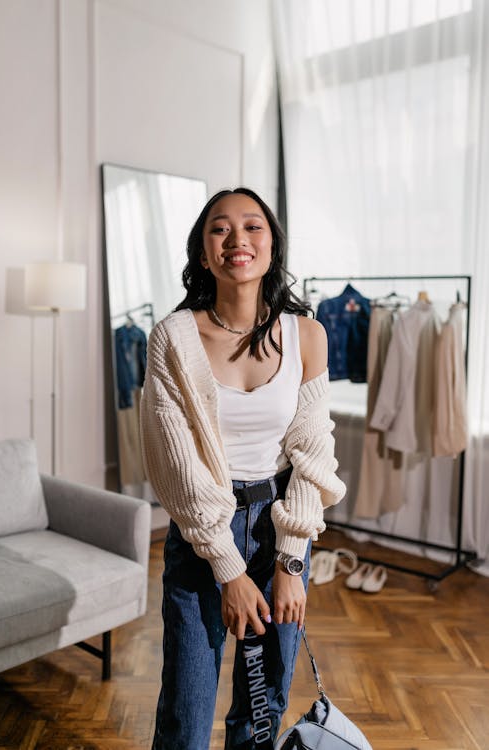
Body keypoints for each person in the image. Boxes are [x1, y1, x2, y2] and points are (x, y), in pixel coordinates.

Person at [140, 187, 346, 749]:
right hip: (204, 530)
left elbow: (312, 453)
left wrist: (290, 560)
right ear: (203, 252)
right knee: (187, 708)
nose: (238, 240)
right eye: (220, 229)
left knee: (263, 705)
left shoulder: (307, 335)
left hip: (280, 523)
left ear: (272, 245)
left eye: (253, 227)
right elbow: (176, 465)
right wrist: (229, 570)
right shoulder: (173, 339)